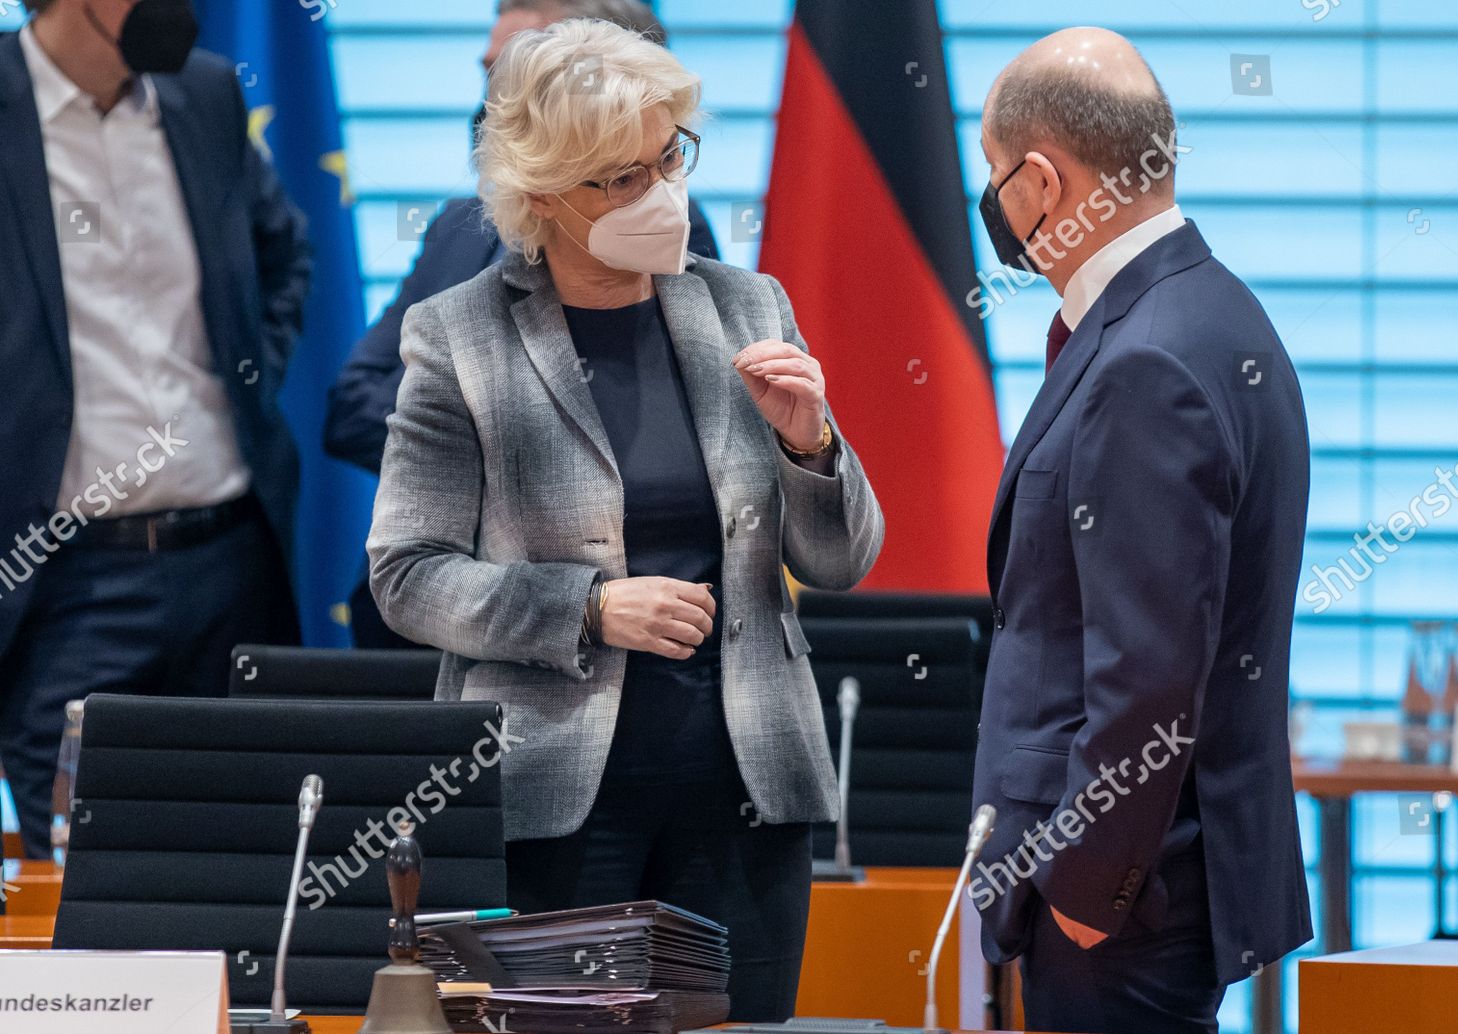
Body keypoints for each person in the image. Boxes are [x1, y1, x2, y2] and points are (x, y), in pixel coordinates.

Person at [367, 18, 883, 1020]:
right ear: (544, 191)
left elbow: (840, 558)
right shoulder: (458, 336)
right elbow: (407, 571)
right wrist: (590, 606)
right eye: (620, 179)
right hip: (559, 791)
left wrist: (811, 447)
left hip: (747, 782)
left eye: (668, 159)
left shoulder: (750, 306)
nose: (661, 197)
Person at [967, 27, 1312, 1034]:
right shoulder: (1214, 310)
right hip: (1159, 878)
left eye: (993, 174)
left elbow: (1150, 668)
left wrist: (1084, 885)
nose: (991, 201)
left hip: (1125, 899)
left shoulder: (1144, 360)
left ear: (1040, 181)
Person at [0, 0, 307, 859]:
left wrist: (249, 380)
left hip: (233, 557)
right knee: (81, 890)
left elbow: (284, 252)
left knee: (256, 864)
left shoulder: (201, 92)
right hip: (64, 580)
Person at [323, 0, 718, 649]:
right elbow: (352, 403)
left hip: (592, 641)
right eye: (490, 75)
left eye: (519, 72)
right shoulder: (458, 226)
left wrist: (458, 435)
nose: (495, 105)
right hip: (423, 625)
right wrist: (476, 439)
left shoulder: (657, 224)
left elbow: (635, 435)